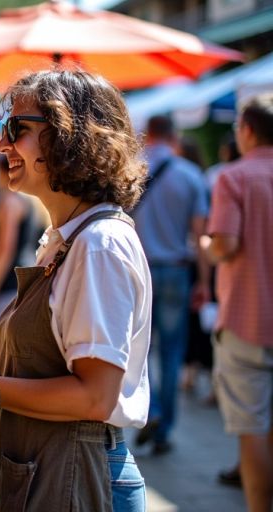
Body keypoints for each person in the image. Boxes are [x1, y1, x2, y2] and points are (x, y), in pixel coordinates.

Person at [0, 69, 151, 511]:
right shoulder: (69, 239)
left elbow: (94, 395)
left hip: (80, 473)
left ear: (69, 138)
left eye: (17, 130)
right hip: (54, 468)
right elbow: (58, 360)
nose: (2, 144)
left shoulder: (98, 245)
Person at [203, 92, 273, 512]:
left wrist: (208, 244)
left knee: (252, 428)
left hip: (248, 319)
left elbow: (225, 244)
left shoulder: (235, 177)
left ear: (247, 130)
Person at [131, 115, 210, 455]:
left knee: (139, 350)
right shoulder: (190, 175)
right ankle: (164, 429)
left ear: (148, 137)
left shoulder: (131, 172)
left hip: (138, 271)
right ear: (174, 137)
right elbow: (200, 233)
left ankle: (150, 410)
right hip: (177, 270)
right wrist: (205, 280)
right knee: (172, 352)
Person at [0, 154, 43, 329]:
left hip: (8, 286)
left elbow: (5, 248)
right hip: (25, 280)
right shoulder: (32, 201)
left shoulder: (9, 202)